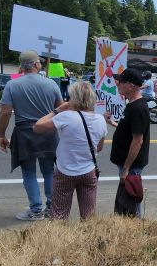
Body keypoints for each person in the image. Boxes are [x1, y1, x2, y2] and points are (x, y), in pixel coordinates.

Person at [0, 50, 63, 221]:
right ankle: (51, 207)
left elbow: (5, 112)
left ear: (21, 66)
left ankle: (35, 210)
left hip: (24, 132)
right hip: (48, 131)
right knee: (49, 171)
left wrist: (1, 135)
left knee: (28, 172)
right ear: (35, 64)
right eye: (39, 62)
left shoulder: (12, 85)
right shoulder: (51, 84)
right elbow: (61, 109)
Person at [33, 81, 107, 220]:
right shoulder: (100, 120)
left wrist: (57, 110)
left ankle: (61, 239)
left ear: (74, 98)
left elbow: (38, 127)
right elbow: (99, 148)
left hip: (65, 171)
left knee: (59, 214)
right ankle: (89, 238)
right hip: (88, 171)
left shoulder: (66, 116)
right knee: (89, 216)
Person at [107, 68, 151, 216]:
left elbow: (138, 141)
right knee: (128, 199)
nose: (117, 84)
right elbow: (128, 130)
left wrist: (126, 168)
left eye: (120, 81)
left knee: (132, 199)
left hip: (131, 164)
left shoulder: (138, 108)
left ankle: (137, 229)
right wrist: (112, 123)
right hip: (127, 162)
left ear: (130, 85)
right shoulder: (131, 104)